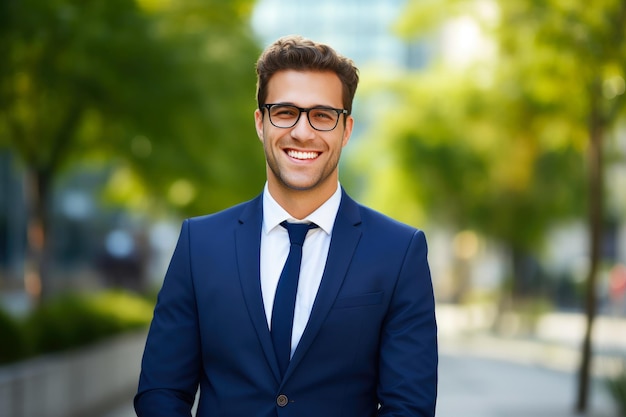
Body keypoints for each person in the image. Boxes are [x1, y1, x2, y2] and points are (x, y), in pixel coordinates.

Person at [134, 35, 438, 417]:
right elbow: (161, 391)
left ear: (346, 130)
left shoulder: (399, 252)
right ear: (261, 122)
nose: (303, 132)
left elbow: (408, 407)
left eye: (323, 115)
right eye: (285, 112)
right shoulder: (200, 244)